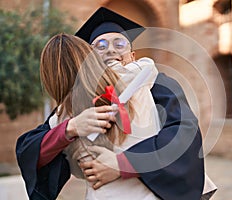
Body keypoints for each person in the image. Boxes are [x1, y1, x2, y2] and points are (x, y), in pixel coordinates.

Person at [16, 7, 206, 200]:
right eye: (101, 45)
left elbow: (183, 132)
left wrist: (122, 164)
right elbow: (31, 148)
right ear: (89, 60)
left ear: (132, 56)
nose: (111, 50)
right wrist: (70, 128)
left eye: (119, 43)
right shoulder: (80, 97)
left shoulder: (156, 83)